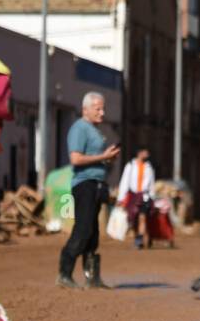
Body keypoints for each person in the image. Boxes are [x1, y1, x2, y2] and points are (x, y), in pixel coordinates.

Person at [58, 92, 119, 289]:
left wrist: (107, 159)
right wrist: (103, 156)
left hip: (97, 185)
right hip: (84, 184)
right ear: (86, 109)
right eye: (98, 109)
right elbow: (75, 159)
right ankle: (64, 274)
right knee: (83, 229)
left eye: (103, 108)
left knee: (93, 232)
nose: (102, 113)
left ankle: (92, 277)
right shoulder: (79, 128)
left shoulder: (95, 130)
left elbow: (96, 158)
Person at [116, 148, 155, 249]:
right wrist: (121, 198)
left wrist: (153, 198)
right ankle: (146, 237)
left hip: (144, 196)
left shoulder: (149, 167)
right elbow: (124, 182)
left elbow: (152, 184)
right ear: (140, 153)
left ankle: (139, 241)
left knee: (143, 218)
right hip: (133, 196)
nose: (147, 154)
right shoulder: (130, 166)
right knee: (133, 219)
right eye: (145, 151)